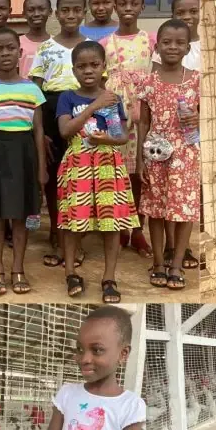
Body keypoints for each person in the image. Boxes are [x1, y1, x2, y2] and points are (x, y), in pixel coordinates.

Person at [56, 41, 137, 303]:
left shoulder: (112, 99)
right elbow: (65, 131)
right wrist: (93, 106)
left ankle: (109, 278)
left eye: (94, 65)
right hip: (78, 163)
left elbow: (120, 136)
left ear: (104, 66)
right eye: (82, 66)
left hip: (107, 165)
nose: (88, 70)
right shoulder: (68, 97)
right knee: (73, 223)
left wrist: (105, 139)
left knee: (111, 224)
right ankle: (70, 273)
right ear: (74, 70)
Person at [0, 28, 48, 296]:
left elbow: (38, 131)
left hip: (23, 153)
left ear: (20, 52)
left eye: (10, 48)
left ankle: (18, 268)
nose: (5, 53)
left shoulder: (32, 89)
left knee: (20, 215)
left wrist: (41, 167)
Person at [137, 19, 200, 291]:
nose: (172, 47)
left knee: (183, 210)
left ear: (187, 48)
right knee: (156, 209)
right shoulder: (148, 82)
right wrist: (140, 158)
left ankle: (176, 265)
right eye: (166, 42)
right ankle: (159, 263)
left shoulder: (196, 80)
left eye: (179, 42)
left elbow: (207, 117)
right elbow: (143, 122)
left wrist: (197, 118)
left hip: (186, 153)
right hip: (155, 154)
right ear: (157, 47)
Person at [30, 0, 87, 269]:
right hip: (51, 111)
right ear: (56, 13)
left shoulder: (91, 47)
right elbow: (35, 95)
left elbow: (99, 87)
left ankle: (76, 238)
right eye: (65, 10)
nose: (71, 15)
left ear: (84, 12)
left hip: (83, 111)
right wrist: (40, 132)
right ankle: (56, 230)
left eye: (77, 10)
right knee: (54, 179)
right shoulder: (45, 48)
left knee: (80, 179)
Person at [103, 0, 157, 260]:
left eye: (133, 3)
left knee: (140, 171)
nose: (127, 8)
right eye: (122, 3)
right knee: (117, 169)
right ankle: (119, 225)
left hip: (144, 110)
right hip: (115, 111)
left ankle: (137, 229)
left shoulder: (151, 40)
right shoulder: (106, 43)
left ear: (142, 7)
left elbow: (156, 75)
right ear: (115, 6)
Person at [20, 0, 52, 79]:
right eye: (31, 10)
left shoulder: (57, 44)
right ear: (24, 14)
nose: (36, 14)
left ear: (50, 12)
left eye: (41, 9)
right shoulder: (16, 44)